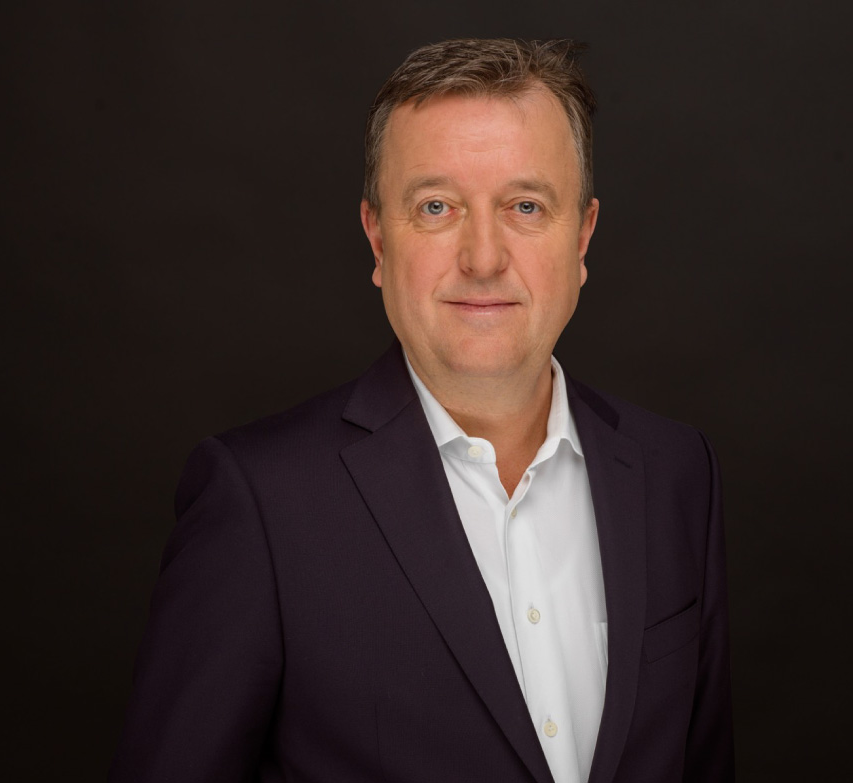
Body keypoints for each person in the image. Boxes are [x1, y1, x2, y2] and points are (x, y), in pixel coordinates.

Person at [110, 38, 733, 783]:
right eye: (436, 207)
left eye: (525, 206)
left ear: (582, 236)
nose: (483, 257)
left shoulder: (676, 473)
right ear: (378, 239)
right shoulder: (260, 504)